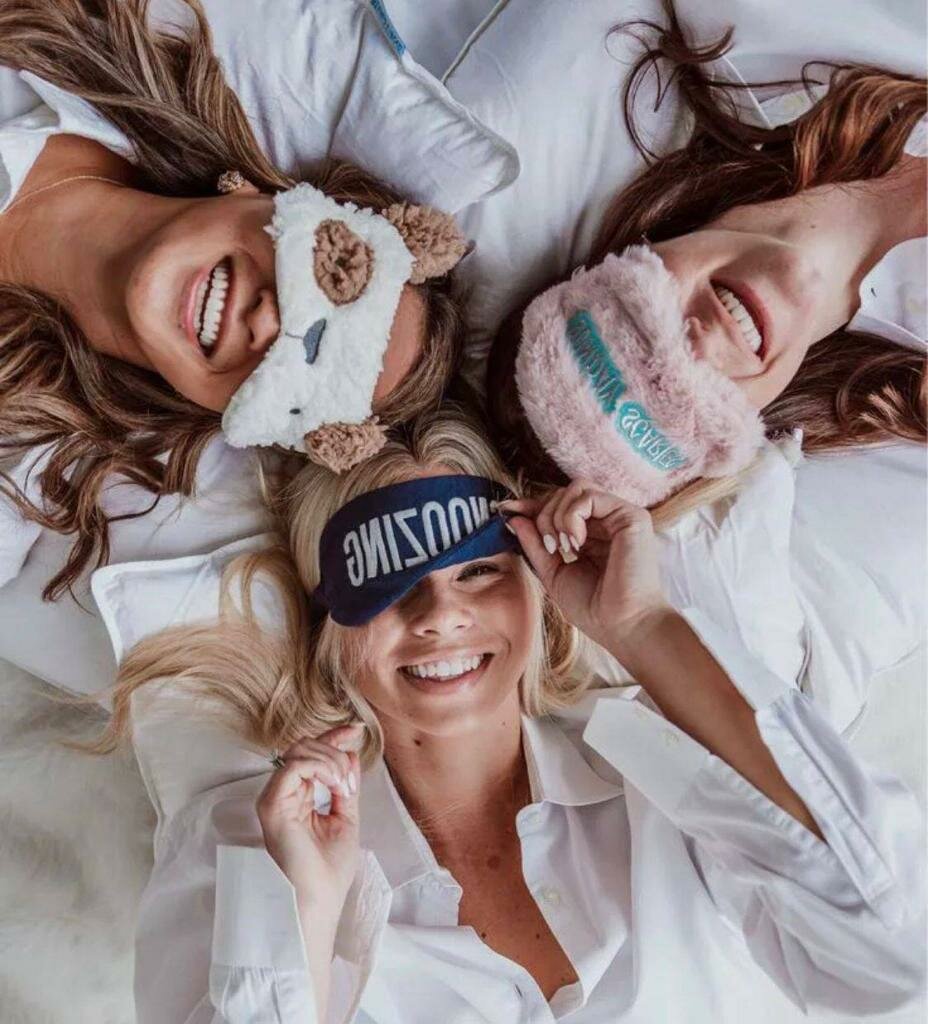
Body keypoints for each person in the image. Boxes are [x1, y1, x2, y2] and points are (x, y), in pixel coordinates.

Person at [97, 410, 924, 1023]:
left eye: (478, 572)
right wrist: (307, 912)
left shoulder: (676, 788)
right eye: (390, 585)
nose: (440, 616)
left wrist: (644, 627)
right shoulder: (251, 848)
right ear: (329, 628)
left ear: (535, 583)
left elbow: (894, 953)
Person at [0, 0, 463, 598]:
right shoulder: (57, 35)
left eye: (306, 386)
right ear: (265, 193)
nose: (272, 322)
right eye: (332, 274)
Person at [488, 0, 926, 495]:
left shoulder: (749, 24)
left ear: (629, 257)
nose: (701, 346)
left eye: (639, 331)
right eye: (693, 407)